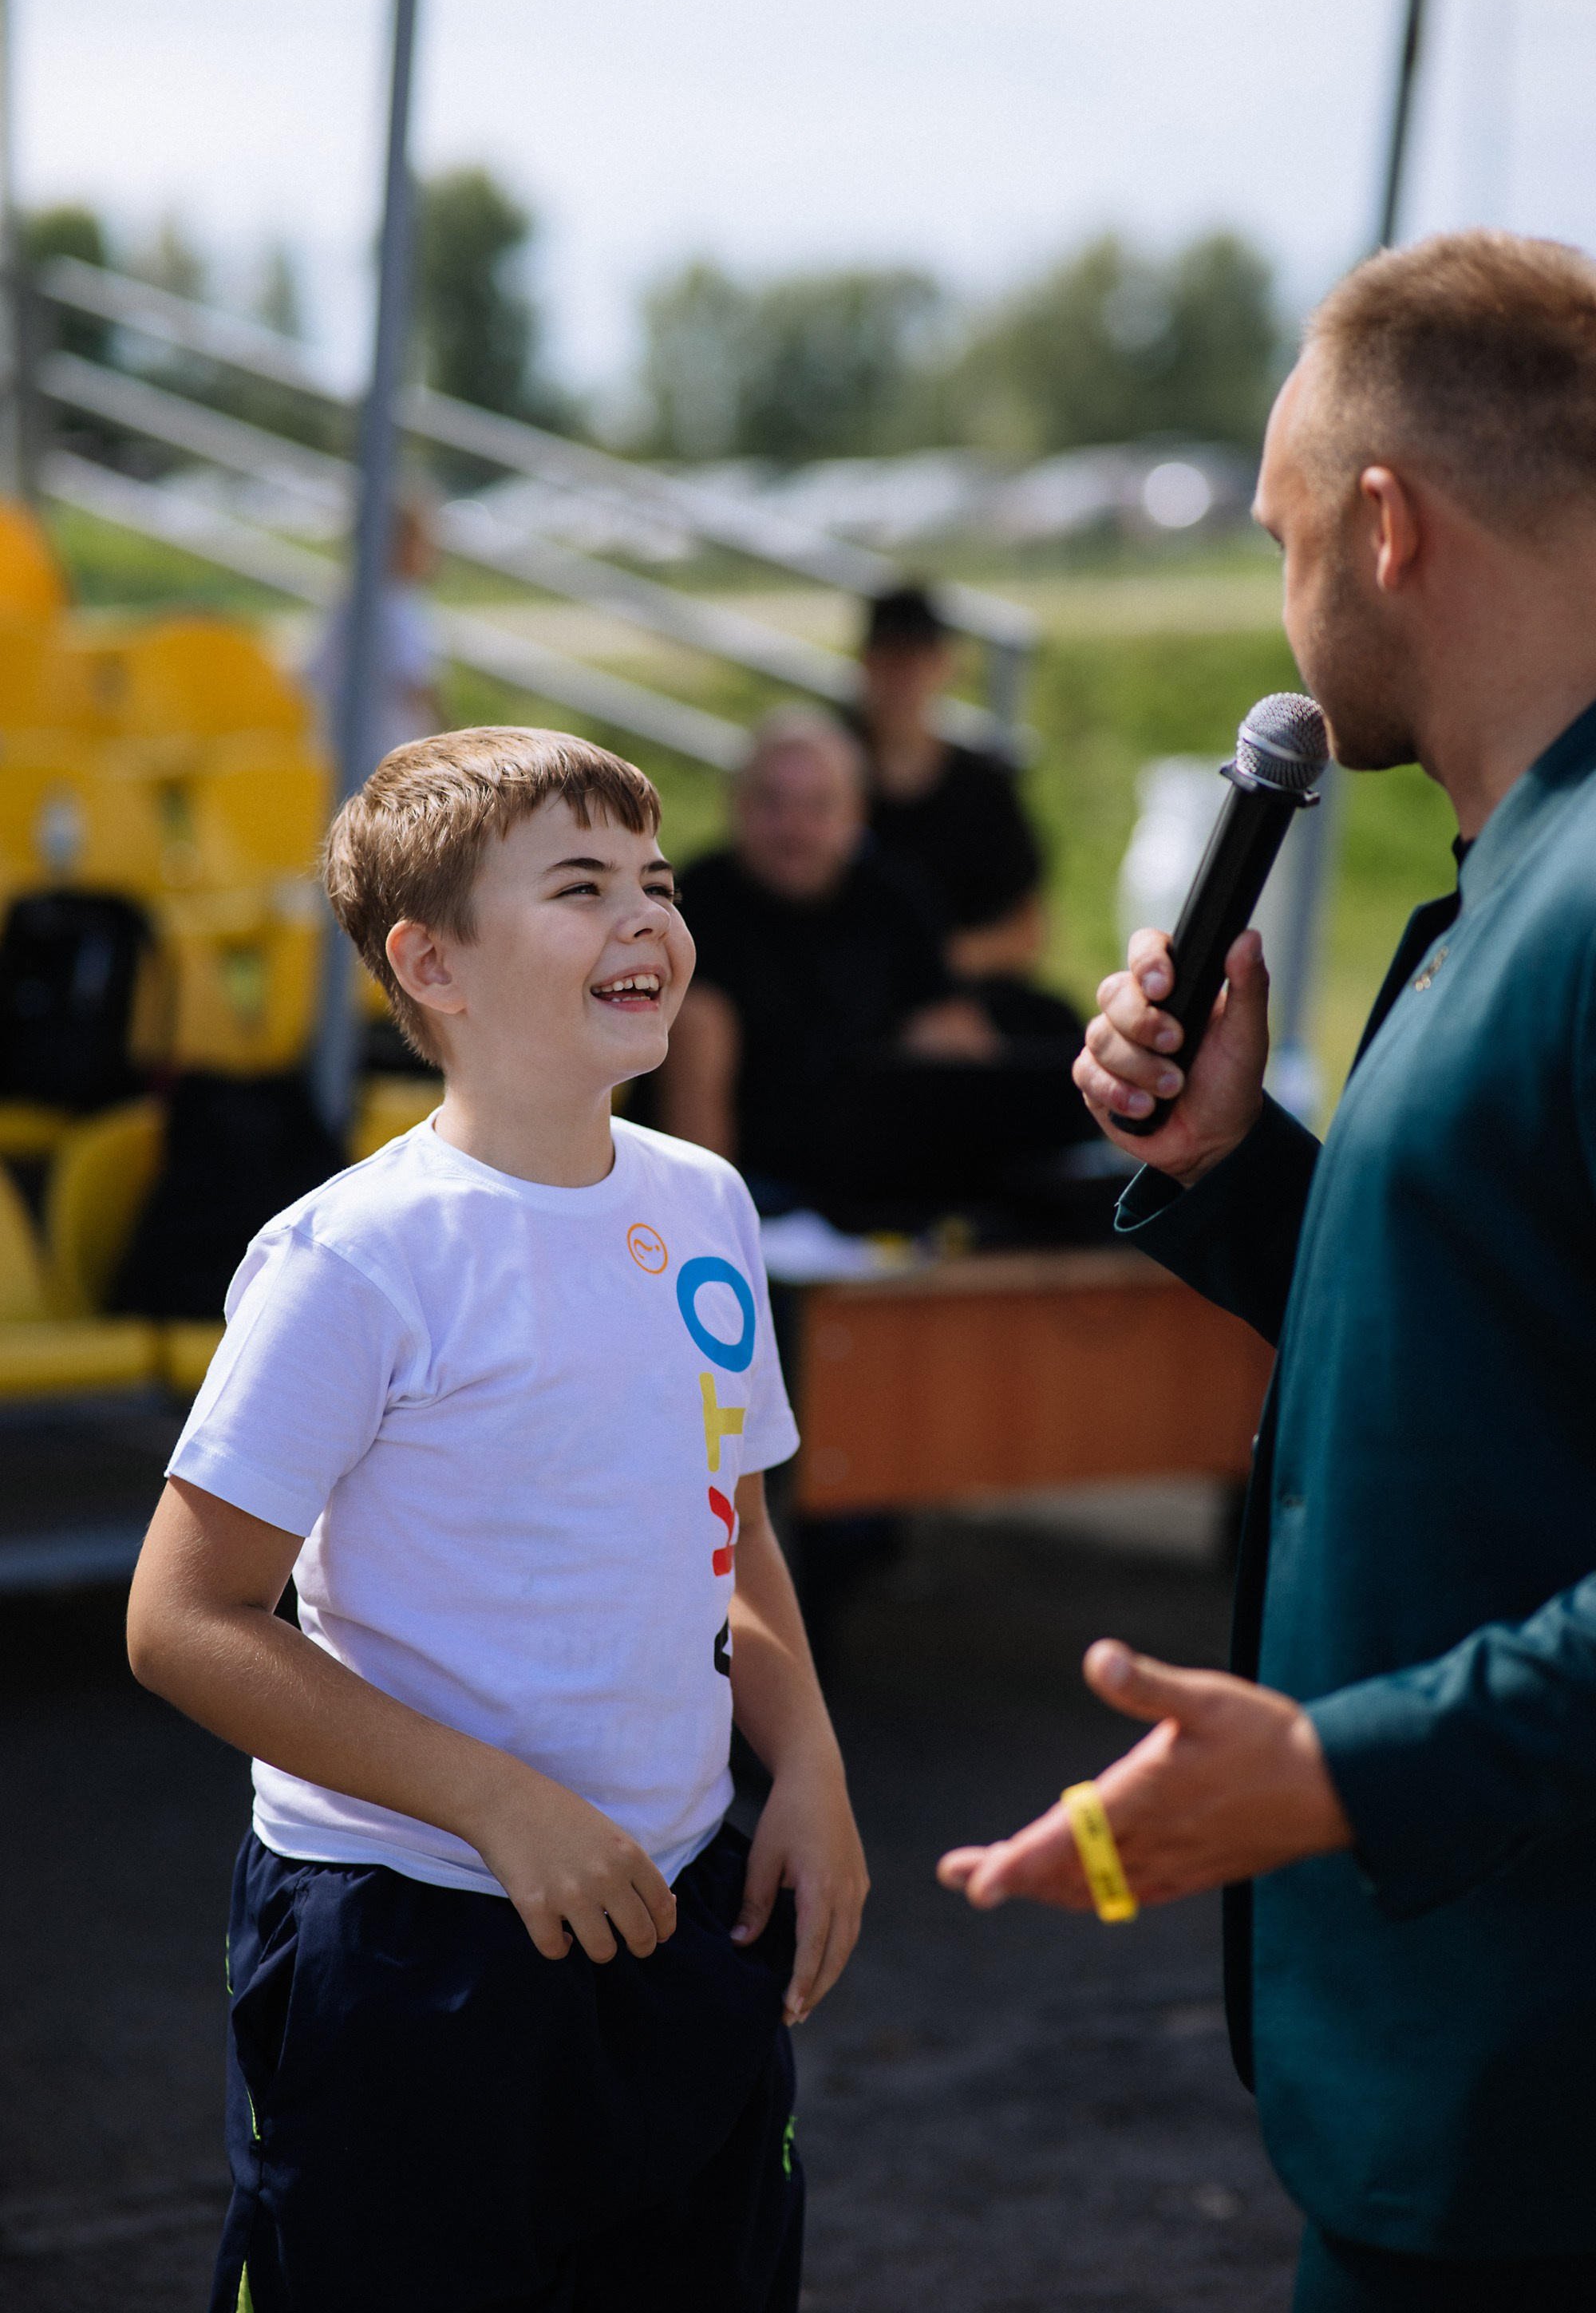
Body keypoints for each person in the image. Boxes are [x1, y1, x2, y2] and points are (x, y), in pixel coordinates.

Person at [939, 230, 1596, 2309]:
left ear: (1387, 525)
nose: (1282, 596)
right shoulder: (1518, 879)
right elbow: (1505, 1334)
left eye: (1284, 530)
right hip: (1468, 2104)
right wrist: (1235, 1168)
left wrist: (1338, 1766)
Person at [125, 727, 868, 2313]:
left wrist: (804, 1767)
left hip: (668, 1910)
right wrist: (495, 1804)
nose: (646, 919)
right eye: (581, 884)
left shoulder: (705, 1203)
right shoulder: (354, 1257)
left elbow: (725, 1528)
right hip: (405, 1956)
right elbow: (182, 1620)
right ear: (430, 961)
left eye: (658, 881)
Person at [654, 706, 997, 1204]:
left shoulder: (896, 897)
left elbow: (957, 1038)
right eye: (773, 802)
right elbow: (694, 1093)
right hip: (749, 1189)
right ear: (736, 805)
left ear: (857, 814)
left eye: (818, 806)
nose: (795, 829)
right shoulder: (692, 904)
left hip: (873, 1185)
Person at [855, 584, 1045, 984]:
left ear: (942, 665)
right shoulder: (825, 777)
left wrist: (924, 967)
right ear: (867, 663)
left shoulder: (984, 787)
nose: (904, 676)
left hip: (961, 991)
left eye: (917, 659)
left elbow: (1027, 932)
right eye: (892, 658)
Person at [305, 491, 444, 769]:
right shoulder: (395, 605)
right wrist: (446, 739)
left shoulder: (350, 598)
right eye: (422, 541)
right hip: (391, 753)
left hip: (335, 746)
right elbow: (414, 686)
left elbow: (313, 675)